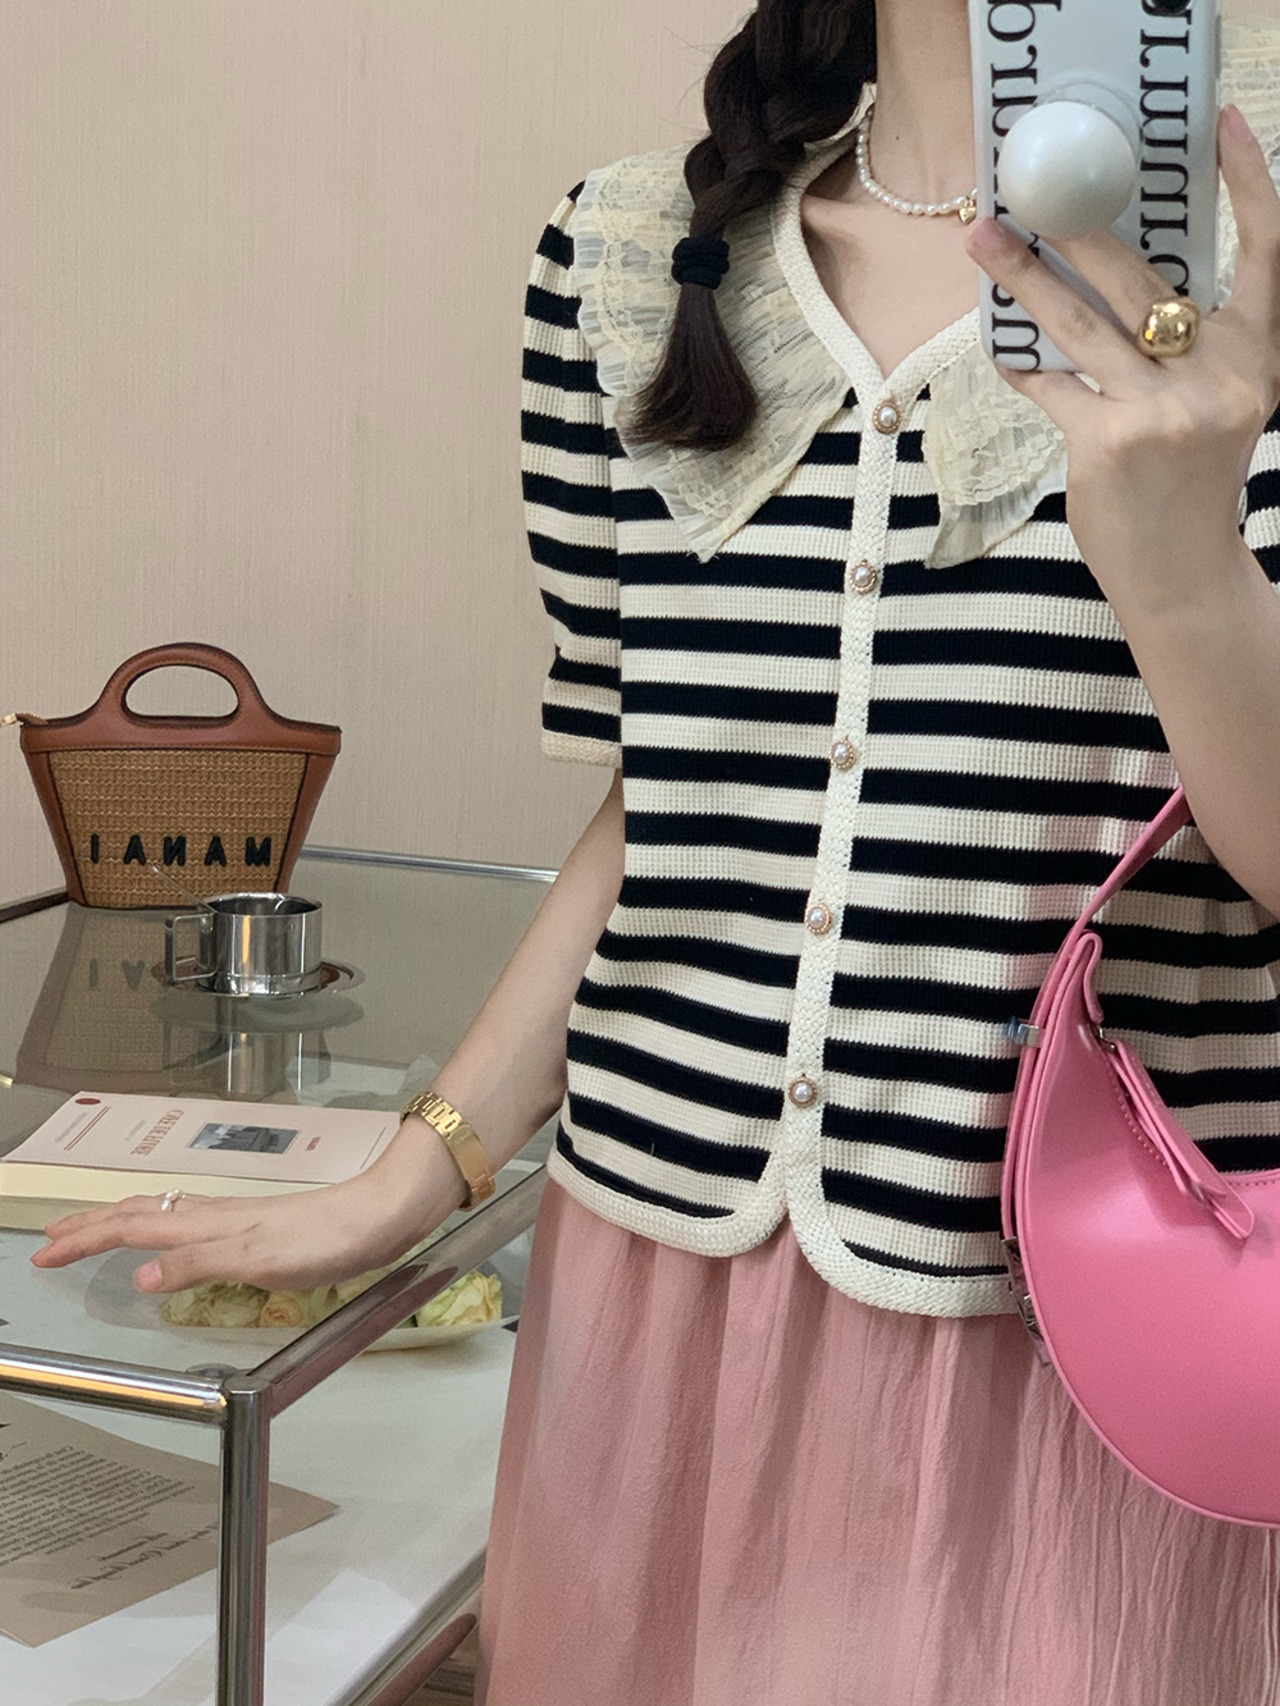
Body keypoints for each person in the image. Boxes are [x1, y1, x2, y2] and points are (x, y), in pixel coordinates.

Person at [32, 1, 1280, 1700]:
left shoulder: (1253, 230)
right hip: (658, 1305)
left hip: (1085, 1345)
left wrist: (1188, 574)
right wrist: (421, 1169)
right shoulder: (631, 252)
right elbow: (662, 807)